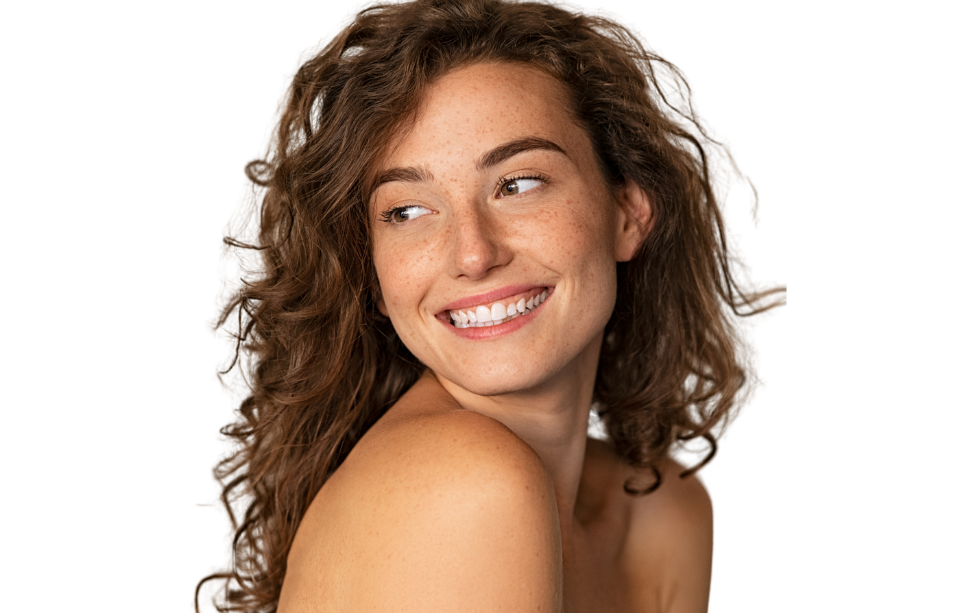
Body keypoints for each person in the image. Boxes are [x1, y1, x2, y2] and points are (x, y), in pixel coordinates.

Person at [194, 0, 786, 611]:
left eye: (518, 185)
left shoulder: (663, 509)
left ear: (629, 213)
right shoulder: (465, 485)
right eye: (407, 211)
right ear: (372, 270)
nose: (473, 255)